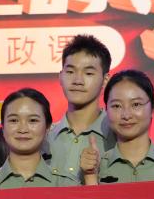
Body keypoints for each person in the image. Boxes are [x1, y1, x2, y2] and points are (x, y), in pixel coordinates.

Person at [94, 70, 154, 184]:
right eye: (116, 106)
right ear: (106, 109)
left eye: (136, 104)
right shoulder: (96, 167)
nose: (126, 115)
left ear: (152, 108)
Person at [47, 35, 115, 182]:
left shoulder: (119, 137)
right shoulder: (43, 139)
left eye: (88, 73)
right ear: (60, 76)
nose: (77, 81)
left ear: (105, 80)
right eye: (70, 72)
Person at [0, 88, 85, 189]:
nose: (23, 129)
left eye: (33, 120)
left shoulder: (66, 184)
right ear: (3, 126)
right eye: (14, 120)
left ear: (47, 127)